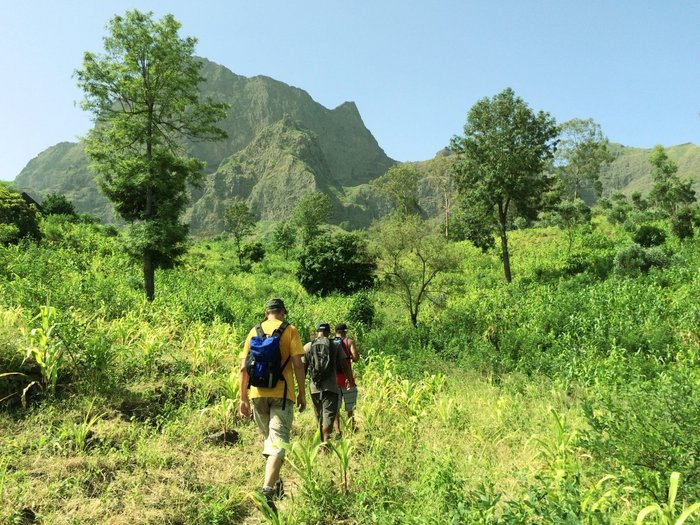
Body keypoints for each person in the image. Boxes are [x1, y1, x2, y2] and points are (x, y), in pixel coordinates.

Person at [239, 298, 306, 511]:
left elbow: (243, 368)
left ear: (266, 312)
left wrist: (242, 398)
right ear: (283, 312)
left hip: (257, 394)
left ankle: (276, 484)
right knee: (277, 442)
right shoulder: (290, 330)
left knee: (269, 440)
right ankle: (267, 491)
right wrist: (302, 393)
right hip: (283, 394)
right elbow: (297, 364)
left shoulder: (254, 331)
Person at [304, 322, 352, 443]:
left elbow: (302, 367)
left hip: (314, 387)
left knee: (319, 415)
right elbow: (345, 365)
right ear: (329, 332)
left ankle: (322, 441)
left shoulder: (308, 346)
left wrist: (300, 388)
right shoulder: (335, 345)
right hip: (331, 386)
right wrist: (349, 380)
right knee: (329, 415)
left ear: (316, 332)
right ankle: (325, 442)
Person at [334, 323, 359, 436]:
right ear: (345, 331)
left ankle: (338, 431)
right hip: (347, 379)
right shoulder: (349, 342)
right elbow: (356, 358)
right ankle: (352, 426)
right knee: (350, 406)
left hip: (333, 381)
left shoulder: (330, 342)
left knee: (335, 408)